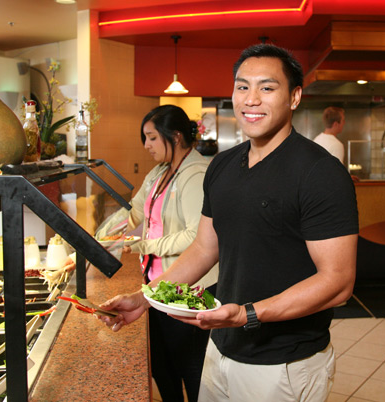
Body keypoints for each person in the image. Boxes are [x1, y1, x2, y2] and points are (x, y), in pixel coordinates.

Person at [99, 44, 358, 402]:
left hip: (282, 361)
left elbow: (338, 282)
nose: (251, 99)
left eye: (267, 88)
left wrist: (248, 314)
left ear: (294, 96)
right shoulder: (221, 166)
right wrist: (144, 299)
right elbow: (205, 247)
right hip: (220, 349)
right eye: (242, 87)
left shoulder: (319, 173)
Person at [99, 104, 217, 402]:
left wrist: (145, 245)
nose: (146, 145)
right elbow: (134, 210)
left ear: (175, 136)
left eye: (152, 137)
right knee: (162, 367)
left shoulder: (196, 174)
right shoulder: (160, 171)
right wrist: (101, 236)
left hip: (189, 288)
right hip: (157, 286)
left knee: (190, 368)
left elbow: (196, 235)